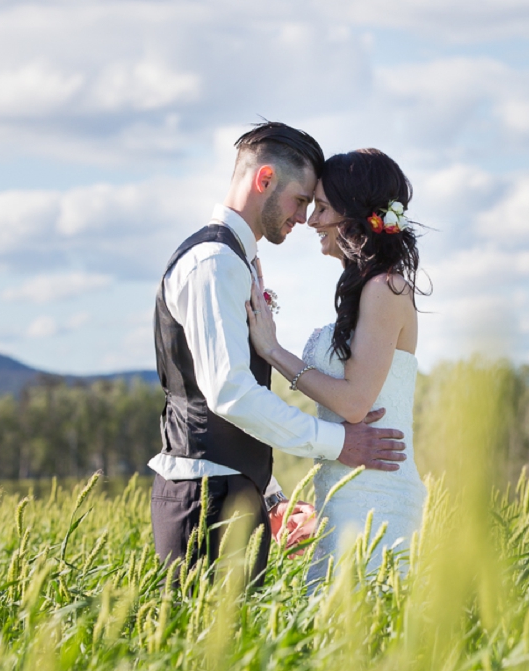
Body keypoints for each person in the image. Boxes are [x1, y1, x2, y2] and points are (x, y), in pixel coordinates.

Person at [148, 122, 407, 582]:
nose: (304, 217)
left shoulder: (237, 262)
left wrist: (268, 493)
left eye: (315, 205)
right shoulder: (213, 263)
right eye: (302, 200)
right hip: (205, 498)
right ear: (264, 180)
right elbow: (229, 392)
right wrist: (340, 444)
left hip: (232, 492)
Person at [246, 147, 427, 581]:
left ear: (357, 216)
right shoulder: (369, 288)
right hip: (342, 492)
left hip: (373, 496)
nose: (311, 221)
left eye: (323, 208)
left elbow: (354, 405)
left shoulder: (386, 289)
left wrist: (274, 351)